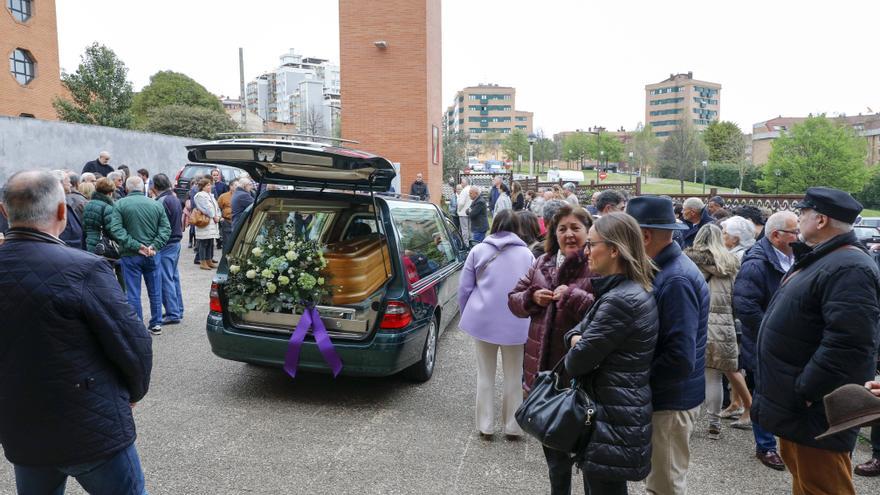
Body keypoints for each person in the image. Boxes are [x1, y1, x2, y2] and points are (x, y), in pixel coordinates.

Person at [0, 170, 152, 494]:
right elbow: (132, 341)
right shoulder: (85, 268)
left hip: (22, 429)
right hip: (91, 428)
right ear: (61, 212)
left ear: (4, 212)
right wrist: (134, 391)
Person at [752, 187, 880, 495]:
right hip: (799, 408)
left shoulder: (849, 267)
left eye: (803, 213)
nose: (798, 219)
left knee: (824, 487)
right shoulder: (825, 259)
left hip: (814, 413)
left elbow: (849, 345)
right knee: (807, 484)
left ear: (820, 220)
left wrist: (806, 391)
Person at [563, 212, 659, 493]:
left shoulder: (621, 300)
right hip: (615, 411)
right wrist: (577, 339)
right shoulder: (623, 292)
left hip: (612, 416)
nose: (586, 251)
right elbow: (574, 334)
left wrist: (578, 341)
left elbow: (576, 361)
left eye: (592, 244)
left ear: (615, 249)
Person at [508, 203, 595, 494]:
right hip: (543, 372)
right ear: (553, 233)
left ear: (588, 231)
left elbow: (606, 312)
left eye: (575, 228)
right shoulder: (542, 262)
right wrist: (533, 297)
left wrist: (572, 296)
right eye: (562, 228)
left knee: (588, 448)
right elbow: (514, 299)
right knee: (553, 447)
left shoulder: (597, 263)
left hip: (580, 371)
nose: (569, 234)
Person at [626, 196, 709, 495]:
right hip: (667, 398)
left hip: (672, 401)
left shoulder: (676, 279)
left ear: (644, 236)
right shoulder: (664, 267)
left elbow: (679, 357)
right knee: (660, 481)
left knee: (667, 485)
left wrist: (636, 379)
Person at [458, 210, 534, 440]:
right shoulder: (527, 255)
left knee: (485, 375)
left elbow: (464, 288)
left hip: (482, 320)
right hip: (518, 322)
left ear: (495, 225)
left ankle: (486, 426)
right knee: (513, 376)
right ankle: (513, 427)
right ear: (517, 228)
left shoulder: (478, 250)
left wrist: (467, 314)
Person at [731, 210, 797, 471]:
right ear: (776, 235)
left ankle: (786, 442)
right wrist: (772, 335)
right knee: (763, 394)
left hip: (787, 342)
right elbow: (745, 306)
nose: (799, 236)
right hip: (763, 341)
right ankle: (765, 446)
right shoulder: (757, 262)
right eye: (794, 232)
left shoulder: (795, 256)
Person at [684, 224, 752, 441]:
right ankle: (714, 424)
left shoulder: (690, 261)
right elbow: (736, 298)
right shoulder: (731, 263)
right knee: (714, 376)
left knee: (689, 375)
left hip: (695, 323)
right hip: (723, 324)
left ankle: (690, 422)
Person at [114, 176, 171, 335]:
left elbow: (116, 230)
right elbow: (166, 229)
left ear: (127, 188)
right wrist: (153, 246)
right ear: (143, 187)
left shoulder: (120, 204)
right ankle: (156, 323)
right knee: (155, 289)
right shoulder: (155, 204)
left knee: (133, 292)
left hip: (131, 255)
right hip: (152, 254)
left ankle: (137, 326)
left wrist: (136, 246)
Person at [83, 177, 128, 287]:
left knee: (98, 274)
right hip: (104, 246)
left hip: (91, 243)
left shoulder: (88, 204)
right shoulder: (107, 207)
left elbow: (84, 225)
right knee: (112, 272)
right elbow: (112, 230)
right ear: (110, 192)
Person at [153, 174, 185, 326]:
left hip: (167, 244)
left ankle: (173, 313)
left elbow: (159, 225)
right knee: (173, 277)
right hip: (175, 242)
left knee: (166, 278)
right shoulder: (174, 198)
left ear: (155, 186)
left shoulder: (162, 201)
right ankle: (177, 309)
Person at [194, 177, 222, 270]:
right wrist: (214, 216)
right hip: (205, 222)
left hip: (212, 222)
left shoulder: (210, 195)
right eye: (208, 185)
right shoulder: (200, 195)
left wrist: (217, 216)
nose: (210, 186)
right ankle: (203, 262)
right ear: (203, 186)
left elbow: (216, 207)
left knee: (210, 242)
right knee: (203, 242)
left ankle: (209, 260)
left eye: (210, 184)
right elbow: (206, 208)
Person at [54, 170, 85, 250]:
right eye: (68, 182)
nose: (71, 185)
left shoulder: (65, 203)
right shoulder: (54, 206)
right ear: (59, 184)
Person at [217, 178, 235, 252]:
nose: (237, 187)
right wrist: (221, 217)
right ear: (230, 186)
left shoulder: (241, 195)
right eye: (235, 185)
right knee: (226, 242)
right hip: (227, 221)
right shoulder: (223, 196)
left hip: (237, 221)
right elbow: (218, 208)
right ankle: (224, 259)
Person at [457, 178, 473, 242]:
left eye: (462, 183)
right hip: (470, 212)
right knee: (470, 229)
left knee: (464, 230)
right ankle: (470, 242)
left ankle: (466, 244)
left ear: (466, 183)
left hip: (463, 213)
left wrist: (459, 210)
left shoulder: (464, 190)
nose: (461, 184)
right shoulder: (471, 189)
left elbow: (461, 203)